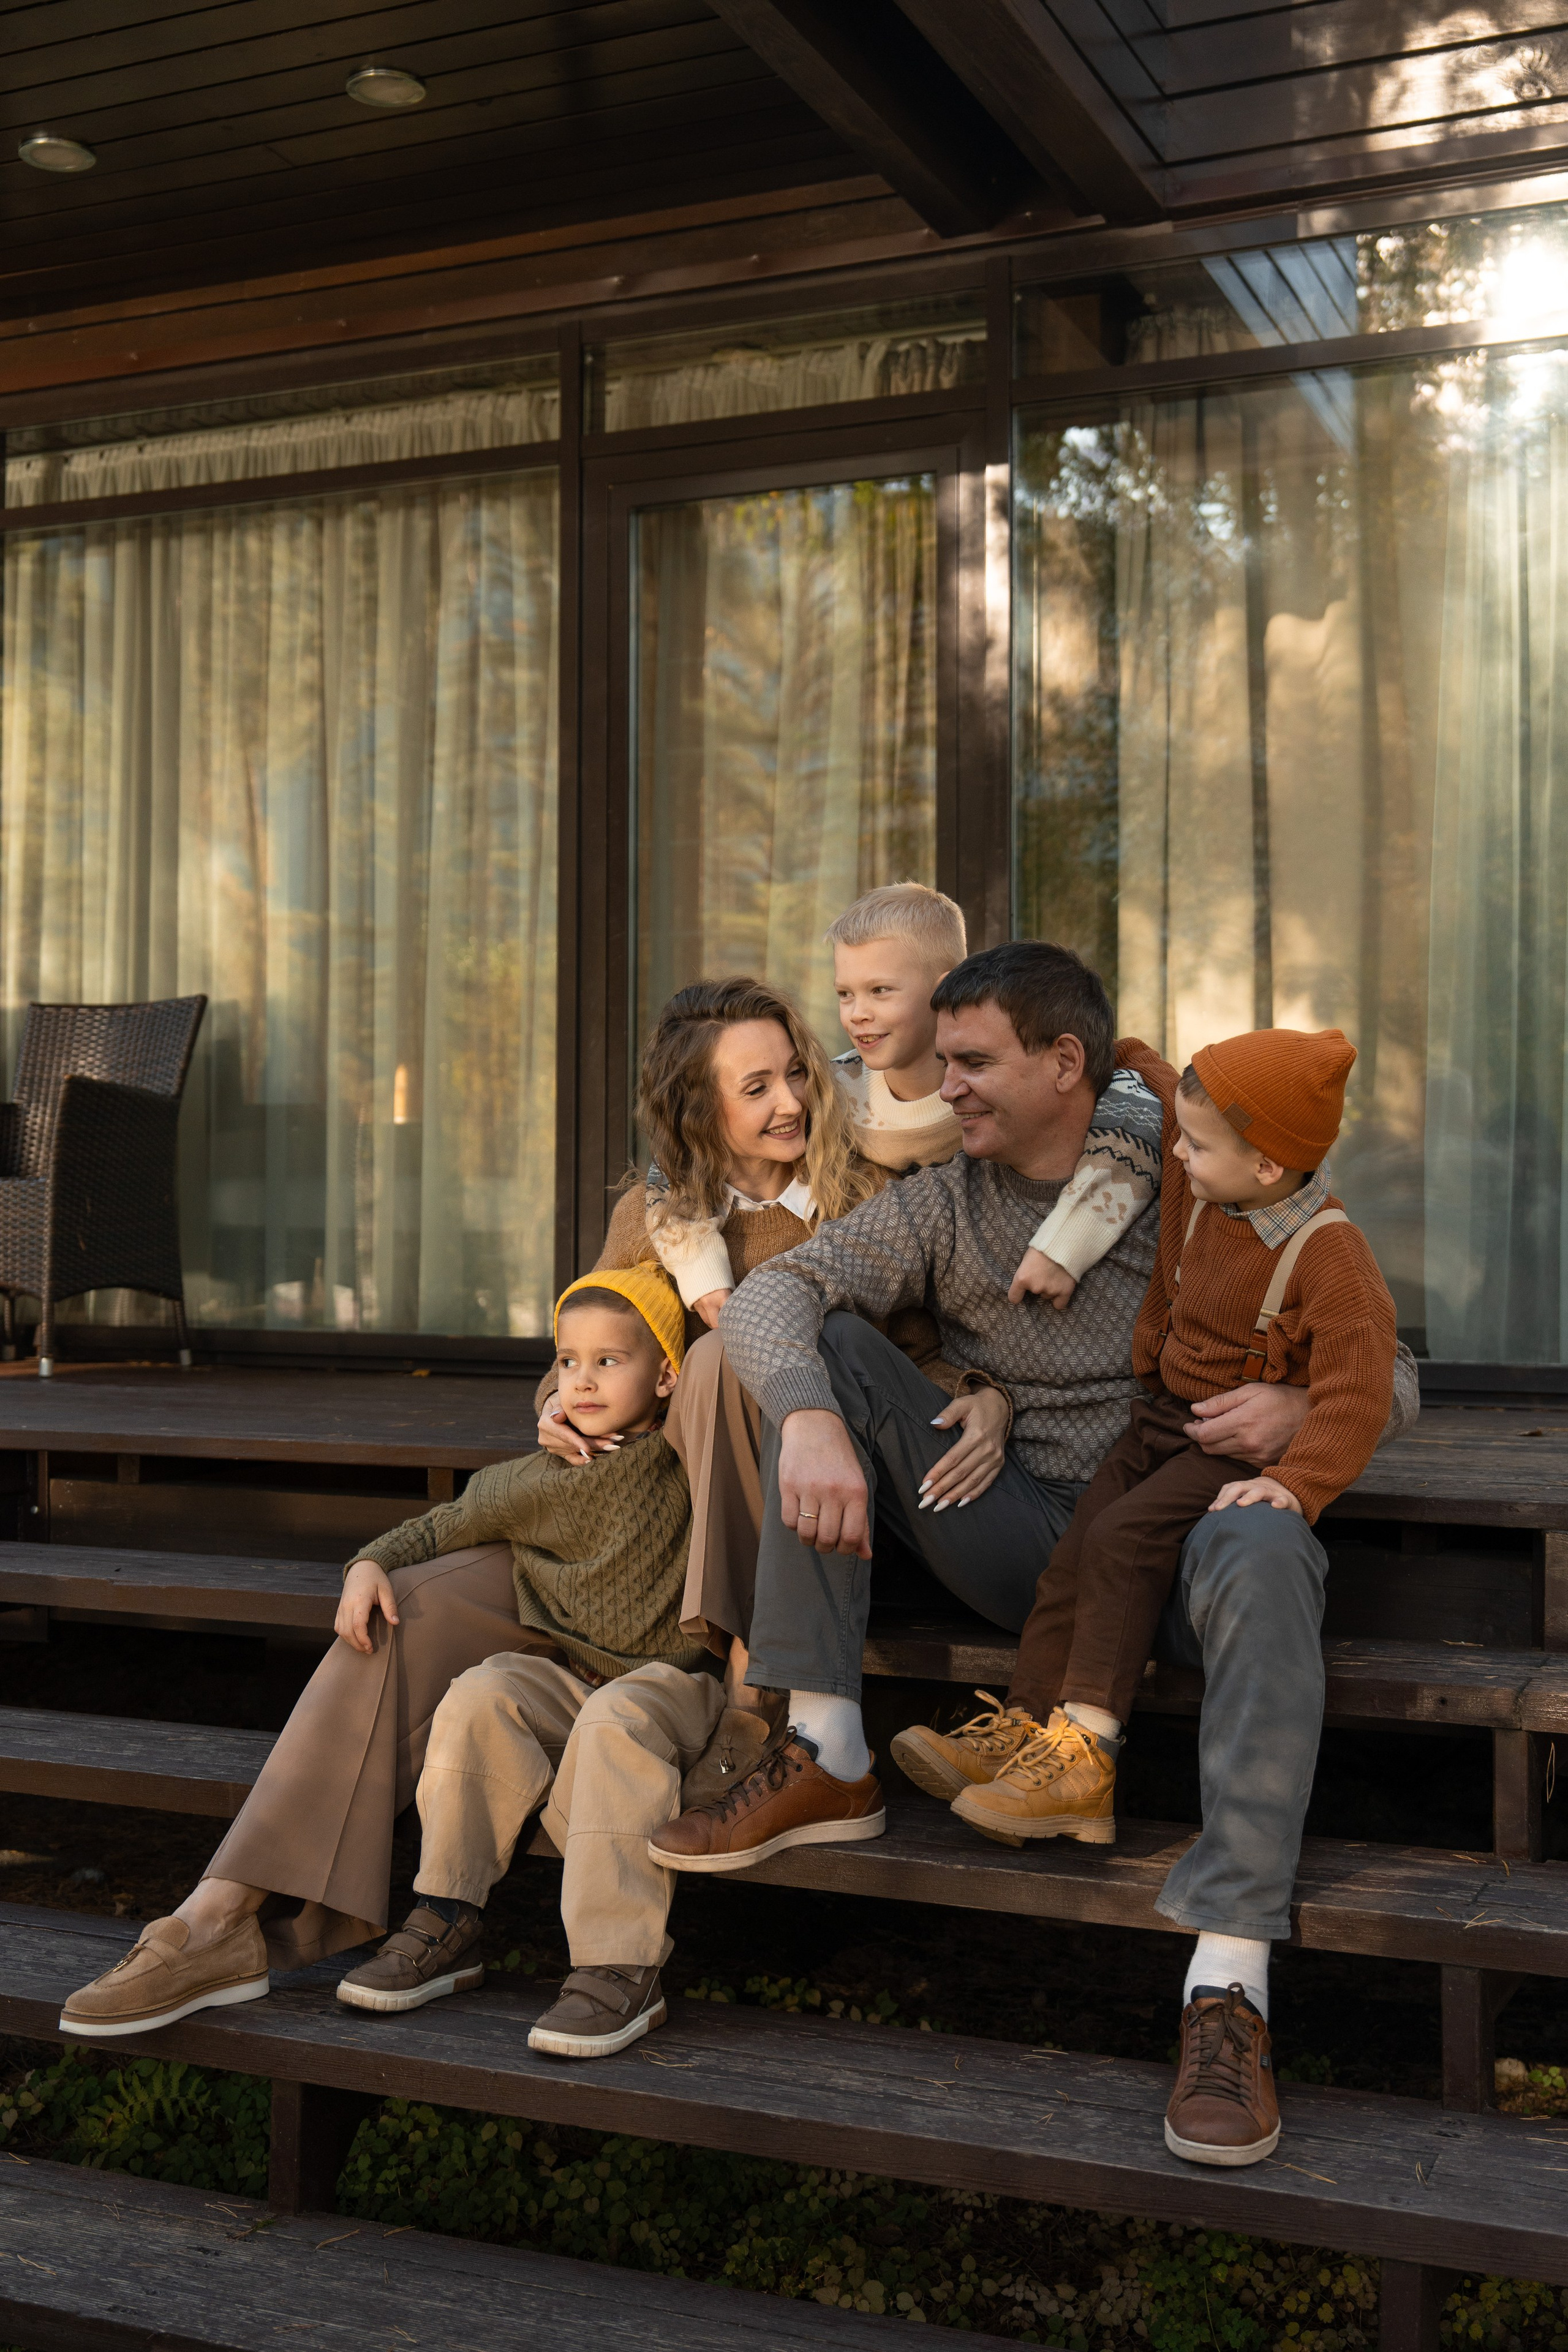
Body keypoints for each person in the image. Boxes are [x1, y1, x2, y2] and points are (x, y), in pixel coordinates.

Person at [647, 941, 1418, 2164]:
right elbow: (774, 1295)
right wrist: (804, 1418)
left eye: (968, 1062)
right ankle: (824, 1751)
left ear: (1064, 1064)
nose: (933, 1086)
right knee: (827, 1354)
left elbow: (1390, 1366)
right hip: (1016, 1530)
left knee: (1271, 1560)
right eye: (939, 1060)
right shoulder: (940, 1204)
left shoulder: (1207, 1171)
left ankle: (1227, 1990)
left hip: (1191, 1530)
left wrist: (1285, 1414)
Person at [58, 1266, 745, 2057]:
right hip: (577, 1677)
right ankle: (448, 1914)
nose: (581, 1382)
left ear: (667, 1375)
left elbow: (729, 1450)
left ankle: (617, 1967)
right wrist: (366, 1565)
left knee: (618, 1723)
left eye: (608, 1362)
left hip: (672, 1684)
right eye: (567, 1362)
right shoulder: (533, 1482)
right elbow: (441, 1526)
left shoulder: (683, 1462)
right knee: (479, 1695)